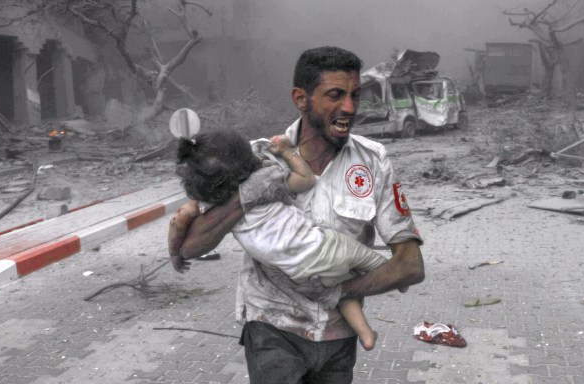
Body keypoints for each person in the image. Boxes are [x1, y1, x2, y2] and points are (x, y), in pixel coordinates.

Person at [168, 46, 424, 383]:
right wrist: (245, 197)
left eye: (355, 95)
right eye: (335, 95)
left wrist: (339, 292)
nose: (349, 107)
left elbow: (410, 265)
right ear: (301, 98)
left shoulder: (374, 162)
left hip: (338, 338)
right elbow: (190, 247)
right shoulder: (252, 161)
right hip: (273, 330)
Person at [173, 130, 391, 350]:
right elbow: (306, 179)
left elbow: (178, 222)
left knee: (339, 292)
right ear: (300, 96)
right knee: (362, 258)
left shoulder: (210, 201)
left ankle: (366, 334)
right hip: (318, 253)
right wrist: (287, 152)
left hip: (296, 273)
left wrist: (174, 254)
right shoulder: (264, 175)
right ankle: (394, 274)